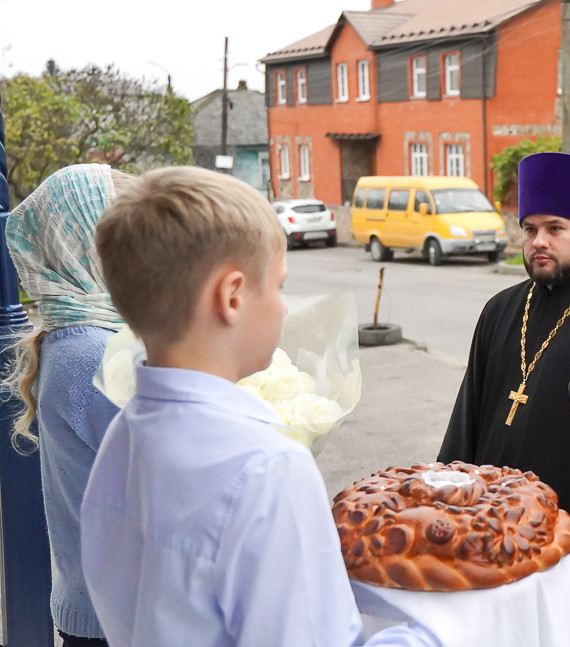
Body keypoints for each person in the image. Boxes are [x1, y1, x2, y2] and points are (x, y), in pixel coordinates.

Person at [80, 167, 436, 646]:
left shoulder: (123, 435)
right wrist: (442, 633)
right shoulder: (268, 468)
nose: (285, 307)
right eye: (279, 286)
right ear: (231, 297)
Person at [437, 152, 570, 530]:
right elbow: (467, 416)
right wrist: (448, 495)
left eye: (555, 229)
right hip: (486, 514)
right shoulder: (499, 309)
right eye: (529, 229)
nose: (538, 241)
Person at [4, 164, 131, 647]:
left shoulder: (79, 335)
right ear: (92, 251)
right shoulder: (93, 351)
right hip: (113, 617)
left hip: (99, 605)